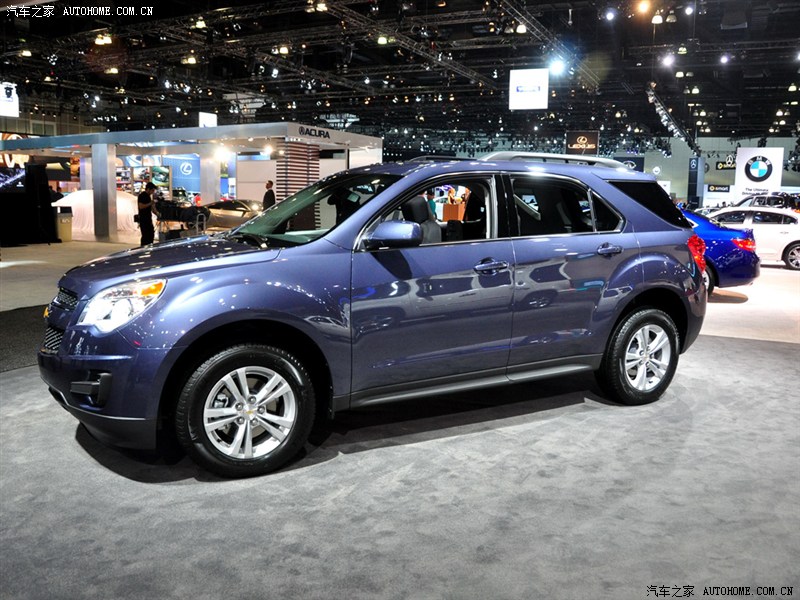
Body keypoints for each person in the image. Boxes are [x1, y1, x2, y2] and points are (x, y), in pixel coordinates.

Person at [138, 182, 157, 246]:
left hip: (148, 218)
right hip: (143, 219)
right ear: (148, 189)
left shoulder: (148, 197)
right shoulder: (142, 196)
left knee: (150, 234)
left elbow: (151, 208)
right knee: (145, 236)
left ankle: (149, 246)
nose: (153, 192)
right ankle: (144, 248)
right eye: (152, 190)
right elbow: (141, 206)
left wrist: (157, 213)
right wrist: (150, 203)